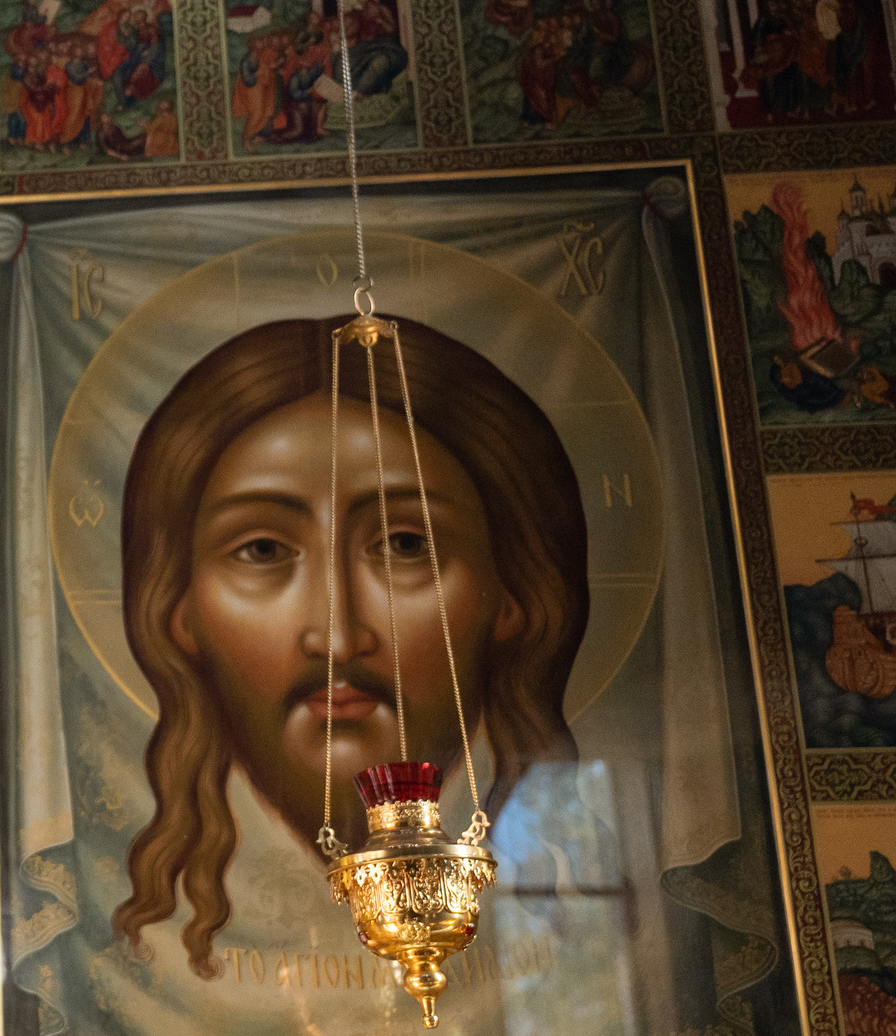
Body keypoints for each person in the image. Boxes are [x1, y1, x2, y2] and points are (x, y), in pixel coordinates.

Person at [114, 315, 589, 973]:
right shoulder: (150, 966)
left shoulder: (573, 879)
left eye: (404, 545)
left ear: (511, 591)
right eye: (262, 550)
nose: (337, 638)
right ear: (179, 610)